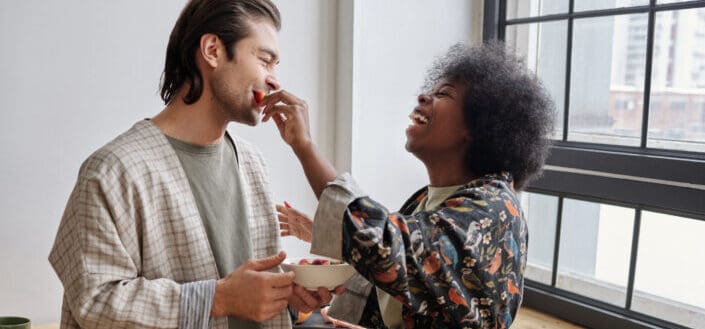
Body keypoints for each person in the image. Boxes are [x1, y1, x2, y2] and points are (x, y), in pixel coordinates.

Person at [48, 1, 332, 328]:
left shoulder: (253, 163)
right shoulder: (113, 171)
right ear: (212, 50)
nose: (274, 81)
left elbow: (239, 279)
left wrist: (288, 291)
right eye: (264, 60)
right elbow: (95, 301)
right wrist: (219, 298)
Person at [264, 42, 554, 328]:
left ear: (479, 125)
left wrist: (305, 146)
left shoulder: (494, 209)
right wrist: (328, 238)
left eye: (443, 94)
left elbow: (386, 246)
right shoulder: (425, 200)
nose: (423, 97)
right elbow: (407, 274)